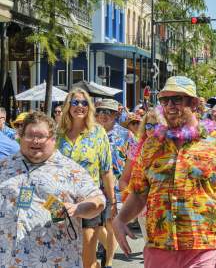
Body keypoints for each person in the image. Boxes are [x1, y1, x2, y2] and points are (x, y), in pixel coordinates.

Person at [113, 76, 216, 268]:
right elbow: (138, 193)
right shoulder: (151, 145)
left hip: (203, 246)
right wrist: (120, 219)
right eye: (164, 100)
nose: (169, 105)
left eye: (177, 99)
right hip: (159, 246)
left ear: (193, 103)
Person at [0, 112, 105, 268]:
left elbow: (98, 201)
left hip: (56, 261)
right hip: (9, 260)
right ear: (20, 137)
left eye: (41, 136)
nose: (35, 141)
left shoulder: (70, 170)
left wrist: (78, 208)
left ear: (53, 139)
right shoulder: (5, 166)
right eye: (29, 135)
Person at [57, 88, 115, 268]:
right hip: (61, 201)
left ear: (89, 107)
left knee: (87, 256)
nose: (79, 106)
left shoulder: (98, 133)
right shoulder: (57, 134)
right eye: (75, 102)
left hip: (90, 201)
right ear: (68, 106)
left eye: (84, 103)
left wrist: (112, 202)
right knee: (62, 254)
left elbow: (106, 170)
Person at [95, 98, 135, 268]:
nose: (104, 115)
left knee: (111, 224)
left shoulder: (126, 135)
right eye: (100, 111)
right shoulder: (90, 133)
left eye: (108, 112)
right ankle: (106, 247)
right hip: (93, 186)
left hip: (117, 186)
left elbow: (135, 161)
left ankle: (108, 262)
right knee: (94, 224)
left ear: (116, 114)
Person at [119, 108, 166, 241]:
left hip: (169, 208)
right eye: (148, 125)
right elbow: (123, 180)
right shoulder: (136, 149)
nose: (151, 129)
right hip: (146, 210)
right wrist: (131, 201)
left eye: (156, 125)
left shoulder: (174, 148)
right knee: (152, 250)